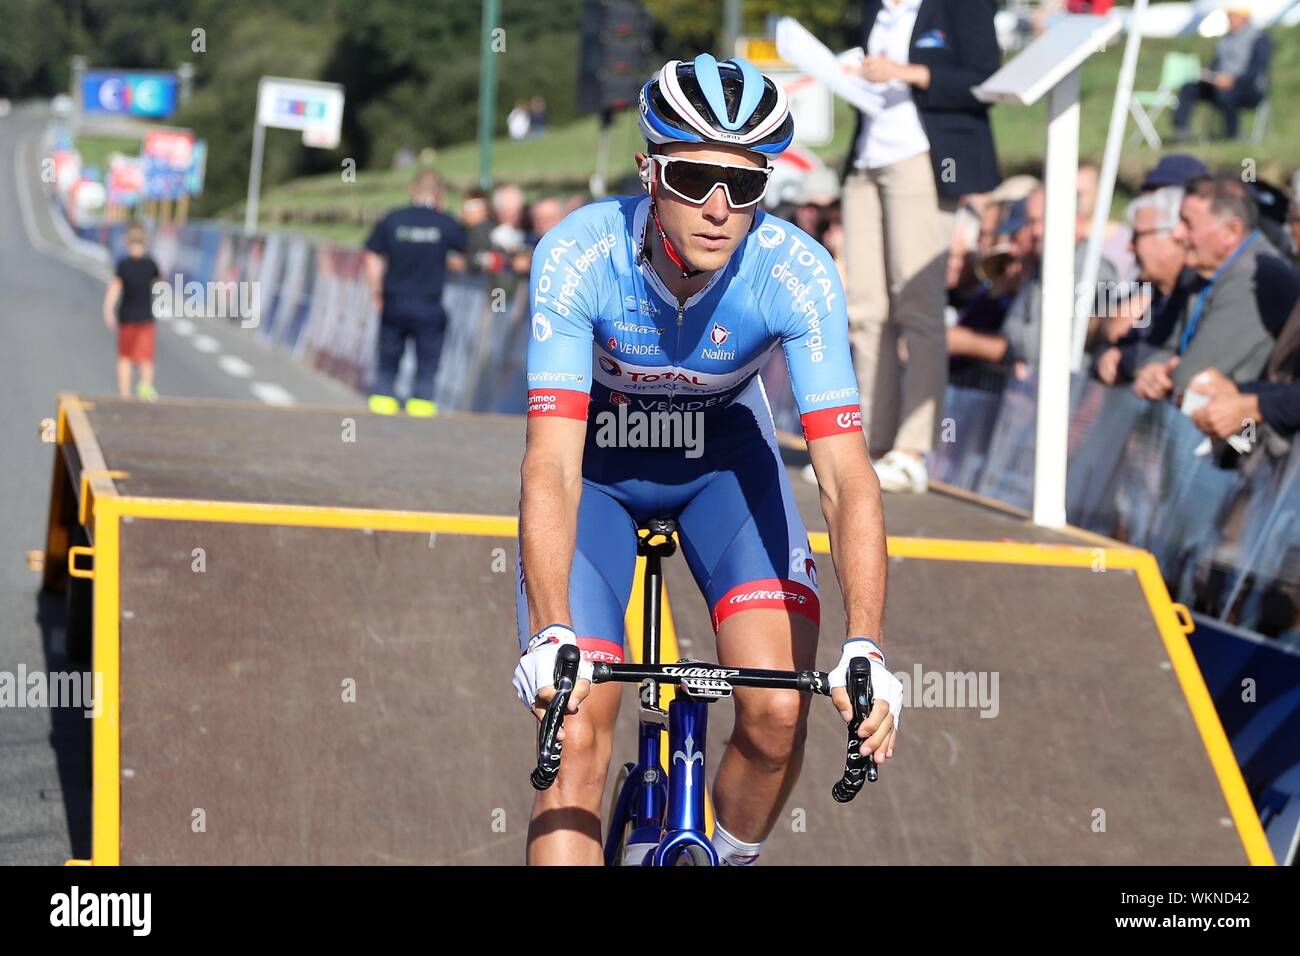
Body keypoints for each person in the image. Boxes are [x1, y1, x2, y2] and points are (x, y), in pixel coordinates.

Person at [514, 55, 903, 866]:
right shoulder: (579, 254)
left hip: (724, 469)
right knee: (577, 724)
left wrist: (866, 645)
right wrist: (552, 630)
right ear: (649, 172)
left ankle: (721, 858)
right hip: (598, 475)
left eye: (746, 185)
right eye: (694, 178)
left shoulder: (795, 272)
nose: (720, 210)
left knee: (776, 717)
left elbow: (844, 475)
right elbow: (550, 464)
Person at [836, 0, 1003, 494]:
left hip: (923, 159)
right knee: (866, 309)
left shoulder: (958, 8)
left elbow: (983, 81)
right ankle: (870, 440)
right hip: (867, 159)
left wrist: (905, 72)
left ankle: (912, 449)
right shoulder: (873, 10)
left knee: (918, 305)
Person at [1133, 174, 1300, 403]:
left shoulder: (1257, 277)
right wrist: (1151, 370)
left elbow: (1192, 377)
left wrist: (1164, 376)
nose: (1177, 234)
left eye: (1188, 223)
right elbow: (1168, 346)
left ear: (1231, 231)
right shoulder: (1202, 270)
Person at [363, 169, 467, 416]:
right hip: (429, 304)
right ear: (440, 192)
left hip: (394, 300)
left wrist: (376, 291)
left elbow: (372, 255)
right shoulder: (446, 222)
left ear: (412, 190)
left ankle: (382, 401)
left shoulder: (393, 219)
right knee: (427, 360)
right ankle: (421, 404)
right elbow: (463, 258)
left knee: (388, 357)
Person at [1094, 186, 1197, 386]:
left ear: (1172, 235)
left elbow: (1157, 355)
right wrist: (1112, 355)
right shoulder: (1156, 290)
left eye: (1137, 236)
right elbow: (1117, 340)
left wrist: (1122, 359)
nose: (1129, 247)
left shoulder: (1192, 290)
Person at [1171, 5, 1271, 142]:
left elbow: (1258, 68)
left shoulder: (1259, 38)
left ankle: (1233, 134)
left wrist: (1234, 80)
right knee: (1188, 87)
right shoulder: (1226, 38)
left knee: (1226, 94)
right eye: (1228, 16)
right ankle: (1181, 130)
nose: (1229, 19)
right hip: (1219, 83)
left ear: (1244, 18)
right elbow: (1217, 62)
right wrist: (1208, 72)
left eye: (1233, 16)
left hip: (1248, 87)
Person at [101, 223, 161, 401]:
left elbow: (115, 288)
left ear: (127, 242)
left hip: (126, 317)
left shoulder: (123, 265)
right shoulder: (151, 265)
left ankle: (125, 393)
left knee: (125, 357)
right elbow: (159, 287)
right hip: (145, 318)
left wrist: (108, 309)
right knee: (145, 358)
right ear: (145, 241)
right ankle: (145, 387)